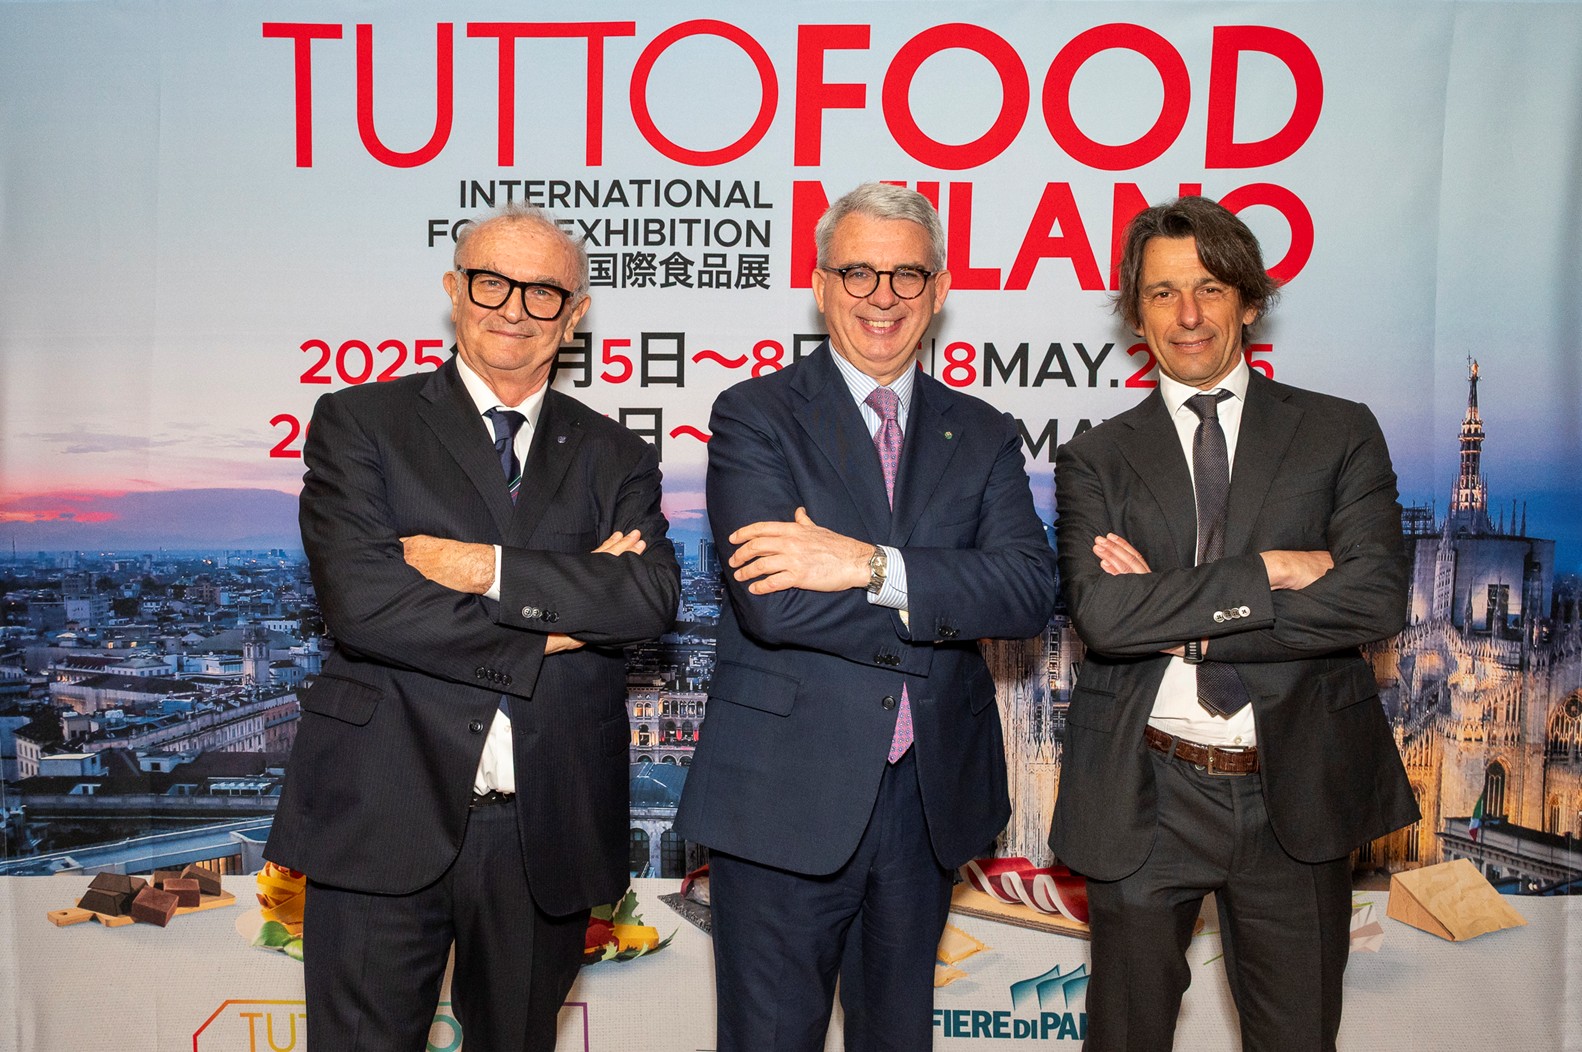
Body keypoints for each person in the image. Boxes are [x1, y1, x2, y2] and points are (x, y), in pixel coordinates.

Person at [266, 205, 680, 1051]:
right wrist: (564, 616)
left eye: (542, 291)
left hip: (544, 828)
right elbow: (365, 605)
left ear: (575, 313)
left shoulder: (617, 455)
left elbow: (645, 598)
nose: (514, 309)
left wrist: (479, 567)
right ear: (455, 290)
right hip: (383, 807)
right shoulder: (361, 422)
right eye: (492, 283)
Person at [675, 182, 1057, 1051]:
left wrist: (866, 565)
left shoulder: (985, 432)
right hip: (784, 793)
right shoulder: (755, 415)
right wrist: (945, 597)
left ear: (940, 288)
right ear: (820, 285)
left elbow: (1026, 594)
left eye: (906, 274)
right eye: (857, 272)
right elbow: (775, 603)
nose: (882, 296)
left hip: (928, 799)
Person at [1048, 196, 1417, 1051]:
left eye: (1210, 289)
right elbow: (1104, 618)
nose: (1188, 315)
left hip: (1298, 793)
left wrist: (1178, 613)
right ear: (1135, 314)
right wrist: (1274, 571)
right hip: (1144, 794)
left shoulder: (1338, 432)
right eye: (1163, 293)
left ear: (1249, 301)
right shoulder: (1096, 458)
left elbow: (1372, 598)